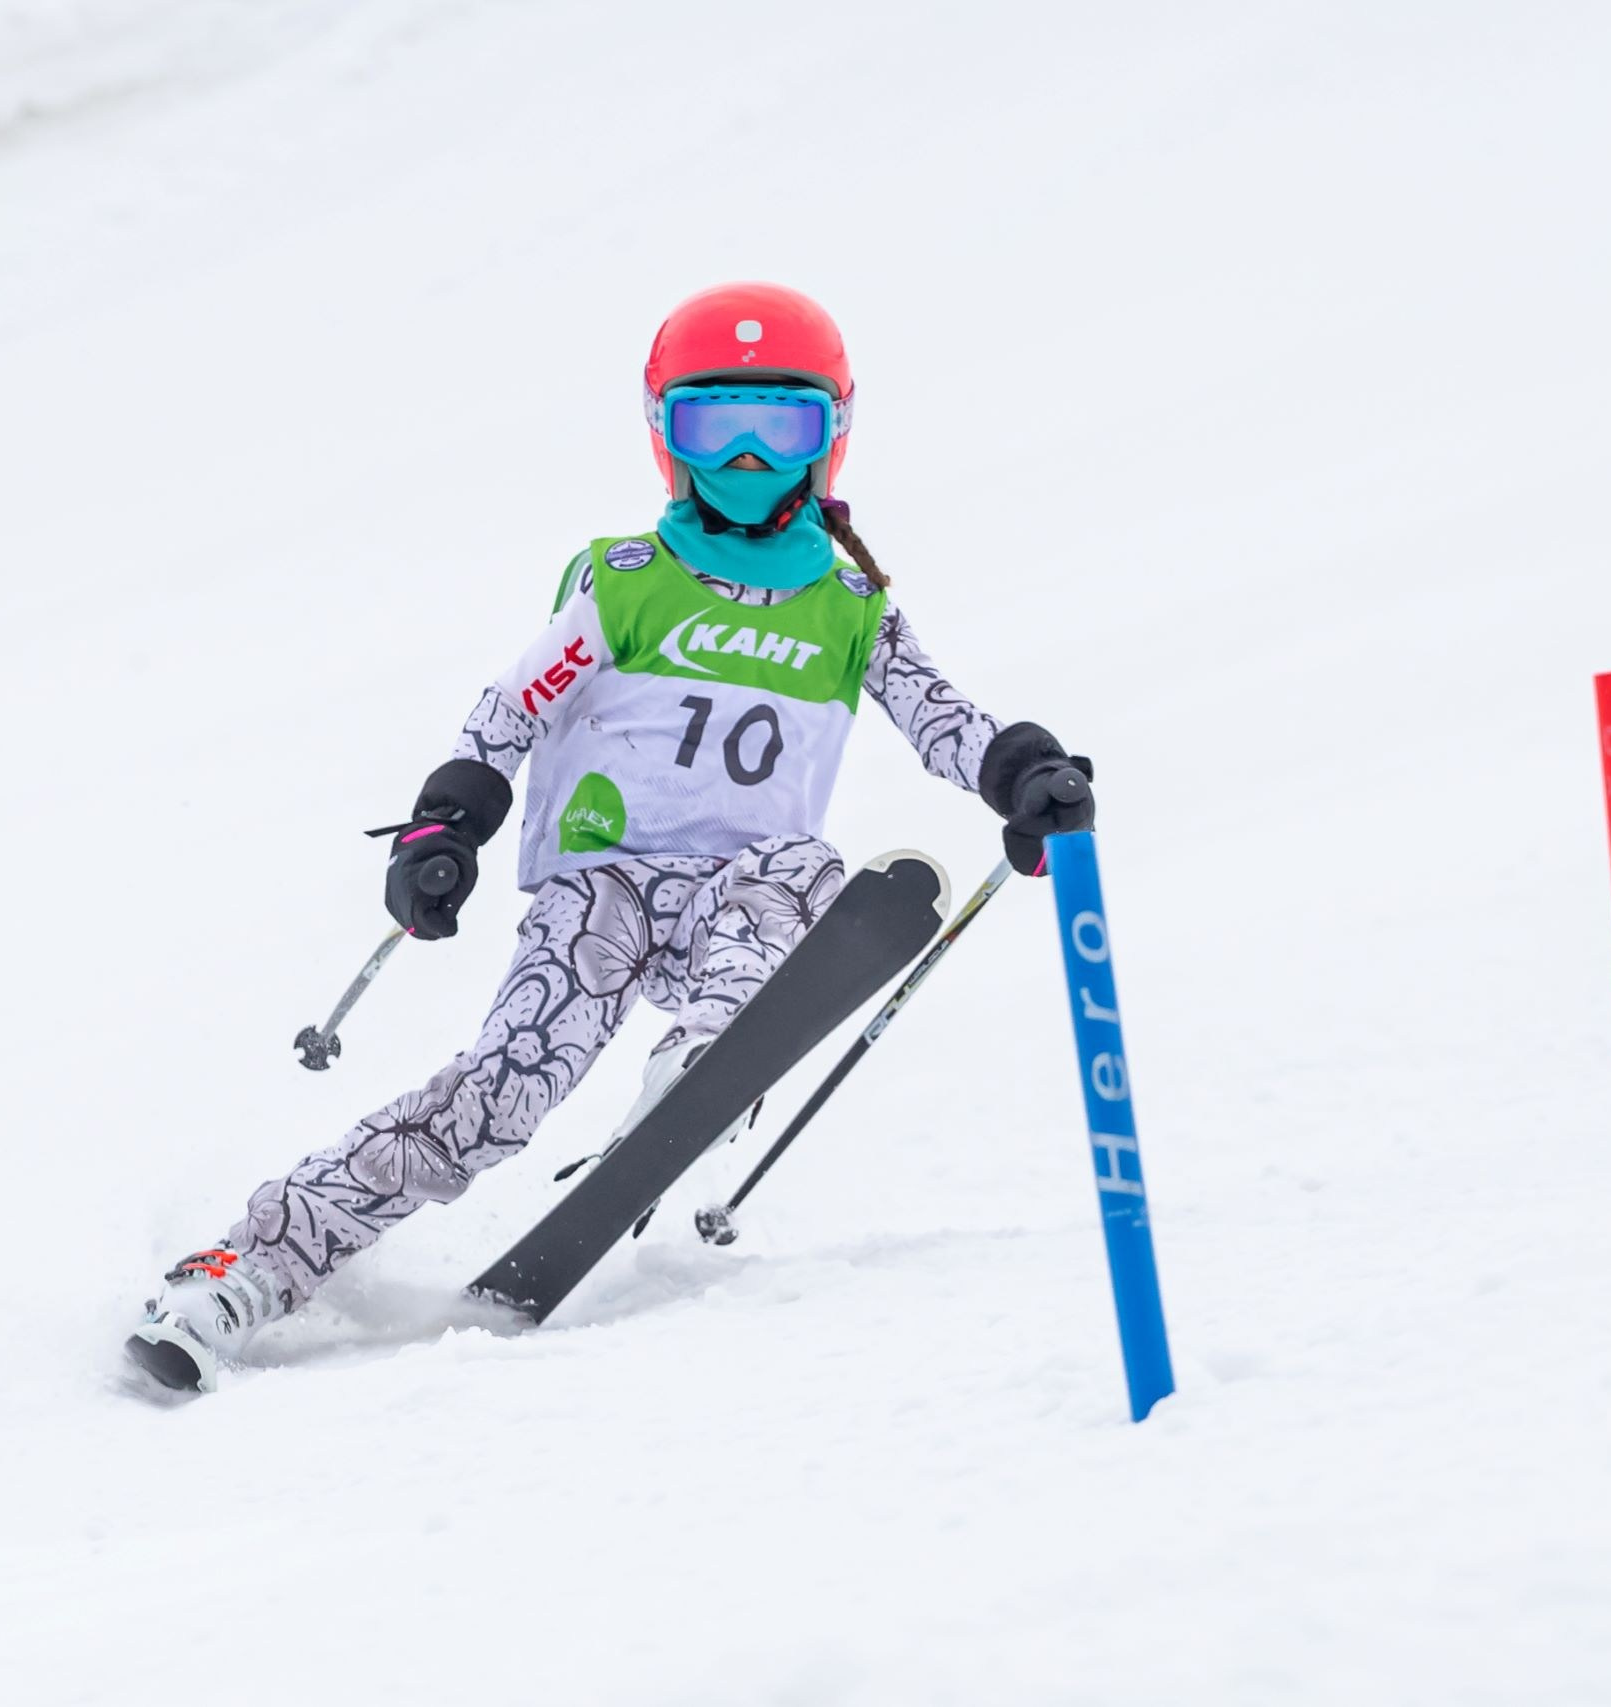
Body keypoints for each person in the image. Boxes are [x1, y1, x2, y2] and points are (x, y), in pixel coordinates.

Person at [126, 282, 1095, 1389]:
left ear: (830, 435)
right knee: (499, 1097)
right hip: (604, 890)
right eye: (713, 425)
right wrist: (447, 827)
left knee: (804, 871)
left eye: (778, 427)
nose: (745, 458)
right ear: (664, 435)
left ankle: (705, 1061)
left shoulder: (852, 603)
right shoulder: (627, 582)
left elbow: (942, 717)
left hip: (744, 891)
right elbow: (509, 712)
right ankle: (244, 1269)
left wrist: (1025, 774)